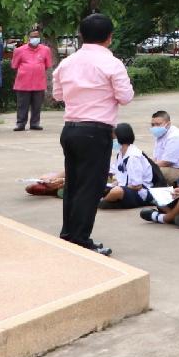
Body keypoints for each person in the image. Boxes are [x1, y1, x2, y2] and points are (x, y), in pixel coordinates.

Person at [52, 13, 134, 255]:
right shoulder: (112, 63)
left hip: (71, 129)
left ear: (81, 35)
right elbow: (125, 97)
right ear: (109, 37)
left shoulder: (67, 62)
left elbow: (57, 95)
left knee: (74, 184)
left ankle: (68, 233)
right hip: (95, 131)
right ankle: (81, 239)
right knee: (91, 187)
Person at [100, 124, 153, 209]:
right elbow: (116, 174)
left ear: (119, 137)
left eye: (113, 137)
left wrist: (118, 186)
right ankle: (109, 201)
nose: (111, 140)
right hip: (125, 187)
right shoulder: (121, 154)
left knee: (116, 191)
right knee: (97, 185)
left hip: (139, 192)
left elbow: (137, 186)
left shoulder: (133, 157)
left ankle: (102, 202)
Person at [10, 28, 52, 131]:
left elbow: (47, 65)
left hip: (39, 82)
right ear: (28, 38)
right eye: (33, 36)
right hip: (23, 83)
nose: (35, 38)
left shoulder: (46, 50)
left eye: (37, 36)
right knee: (22, 105)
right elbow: (14, 65)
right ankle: (20, 124)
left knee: (37, 105)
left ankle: (35, 123)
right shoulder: (19, 50)